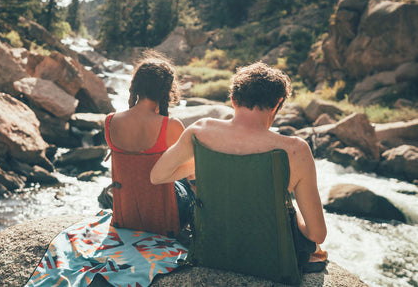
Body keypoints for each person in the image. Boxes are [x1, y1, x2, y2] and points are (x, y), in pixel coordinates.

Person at [150, 61, 326, 248]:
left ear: (233, 99)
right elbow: (316, 234)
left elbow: (157, 176)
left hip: (212, 247)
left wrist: (201, 162)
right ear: (276, 104)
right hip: (268, 254)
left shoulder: (201, 130)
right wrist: (293, 215)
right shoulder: (296, 150)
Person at [104, 51, 194, 238]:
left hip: (125, 217)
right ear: (166, 91)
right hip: (163, 220)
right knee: (189, 178)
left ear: (136, 86)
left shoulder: (110, 121)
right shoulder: (170, 125)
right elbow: (191, 173)